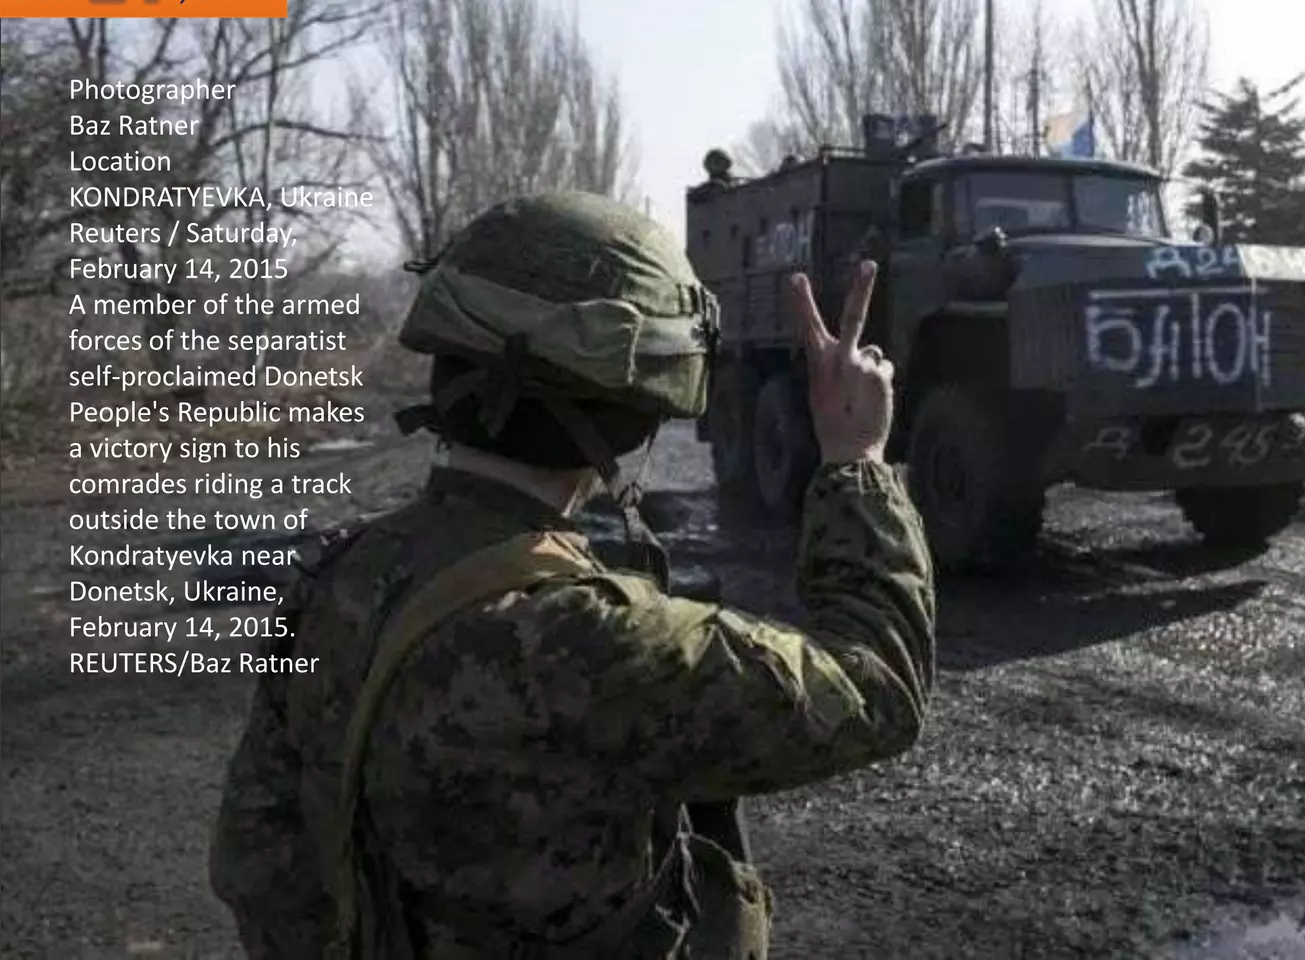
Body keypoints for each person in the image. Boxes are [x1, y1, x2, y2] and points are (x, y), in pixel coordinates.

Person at [208, 191, 933, 959]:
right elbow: (877, 689)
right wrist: (856, 463)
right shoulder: (589, 640)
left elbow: (262, 858)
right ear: (631, 409)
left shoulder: (337, 578)